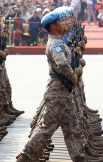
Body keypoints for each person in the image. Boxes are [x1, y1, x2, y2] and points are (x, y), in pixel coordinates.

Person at [16, 9, 84, 162]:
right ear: (53, 26)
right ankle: (25, 156)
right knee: (46, 128)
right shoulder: (55, 44)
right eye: (61, 22)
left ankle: (78, 157)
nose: (64, 24)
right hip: (57, 91)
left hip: (64, 92)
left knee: (72, 127)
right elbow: (62, 64)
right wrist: (73, 77)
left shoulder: (58, 42)